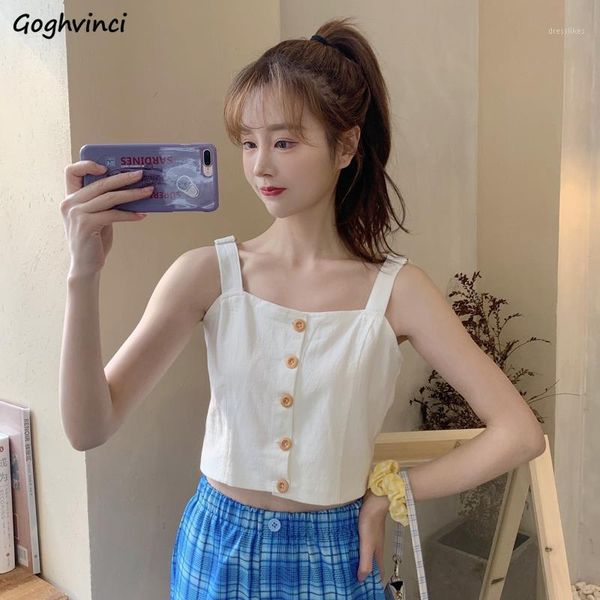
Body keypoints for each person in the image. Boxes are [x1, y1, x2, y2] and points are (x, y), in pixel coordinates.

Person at [59, 16, 545, 600]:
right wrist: (82, 275)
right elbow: (88, 427)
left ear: (346, 146)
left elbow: (519, 433)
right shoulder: (206, 274)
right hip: (219, 552)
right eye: (249, 142)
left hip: (338, 556)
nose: (261, 165)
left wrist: (391, 492)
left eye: (285, 142)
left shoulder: (399, 291)